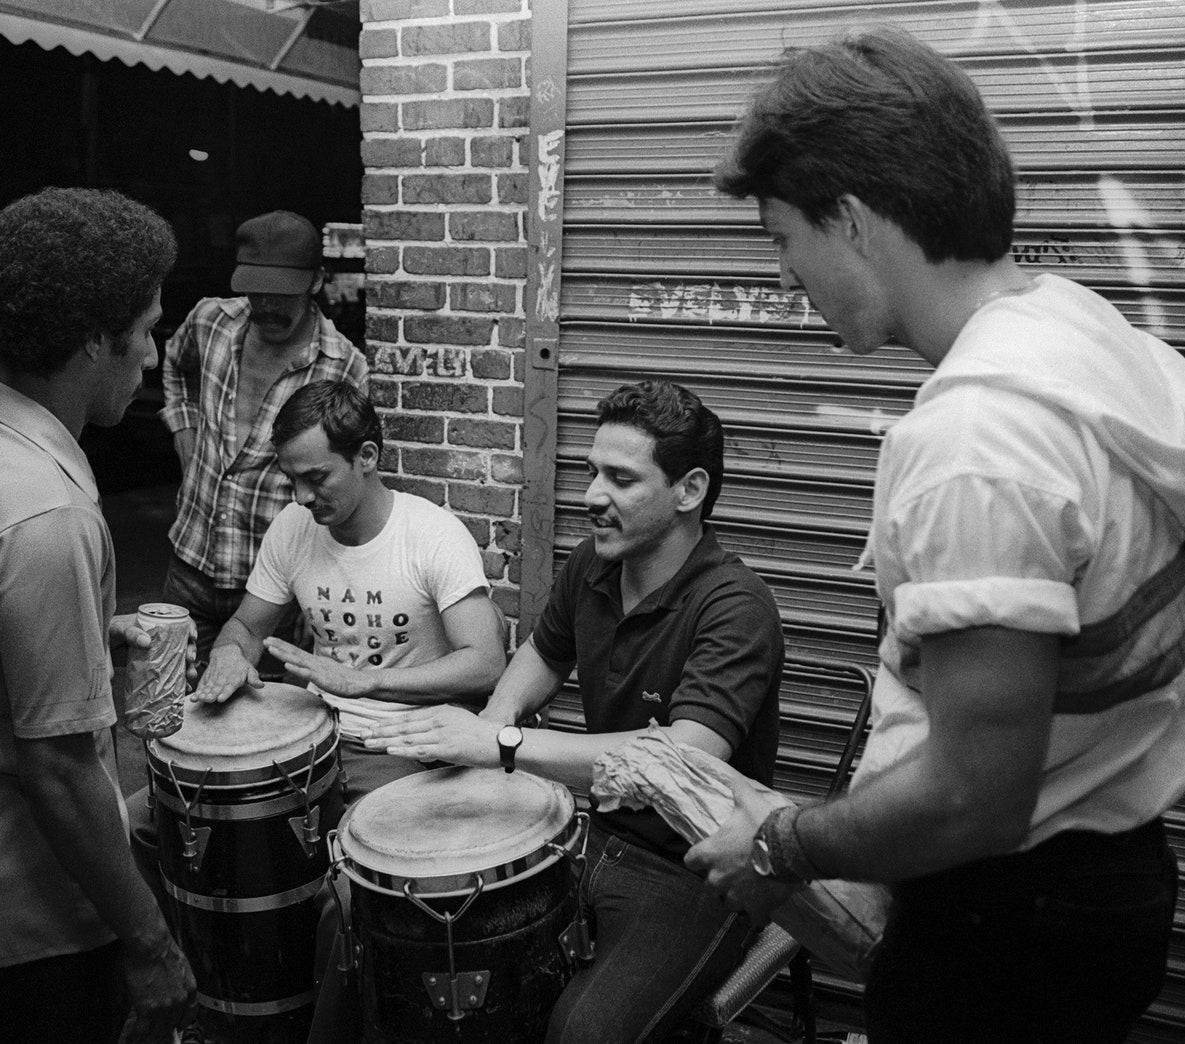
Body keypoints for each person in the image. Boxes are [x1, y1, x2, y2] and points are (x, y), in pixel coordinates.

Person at [686, 26, 1185, 1044]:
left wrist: (780, 843)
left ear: (845, 218)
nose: (784, 275)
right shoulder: (1093, 340)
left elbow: (974, 796)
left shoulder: (980, 435)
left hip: (1002, 924)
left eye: (780, 236)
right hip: (1105, 882)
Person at [365, 380, 784, 1044]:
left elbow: (686, 758)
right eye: (592, 473)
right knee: (402, 944)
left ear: (690, 490)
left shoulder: (735, 606)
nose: (592, 495)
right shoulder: (593, 563)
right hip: (589, 834)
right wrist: (489, 723)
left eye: (621, 479)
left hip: (701, 869)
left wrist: (499, 744)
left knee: (580, 1034)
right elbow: (542, 653)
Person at [0, 187, 196, 1044]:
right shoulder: (43, 516)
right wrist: (150, 939)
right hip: (30, 913)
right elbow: (57, 772)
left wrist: (91, 637)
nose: (155, 354)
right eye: (149, 325)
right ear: (95, 336)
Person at [192, 378, 508, 797]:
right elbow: (248, 627)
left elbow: (486, 663)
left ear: (367, 457)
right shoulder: (292, 527)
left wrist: (364, 682)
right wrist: (228, 654)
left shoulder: (433, 536)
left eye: (317, 477)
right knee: (193, 804)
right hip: (317, 726)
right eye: (292, 479)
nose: (302, 496)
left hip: (402, 740)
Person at [160, 210, 370, 656]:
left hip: (271, 595)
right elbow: (175, 365)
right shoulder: (210, 321)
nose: (269, 306)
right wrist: (184, 428)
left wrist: (316, 595)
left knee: (261, 721)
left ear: (316, 281)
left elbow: (345, 489)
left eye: (283, 293)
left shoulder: (343, 366)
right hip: (188, 567)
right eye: (258, 292)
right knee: (173, 716)